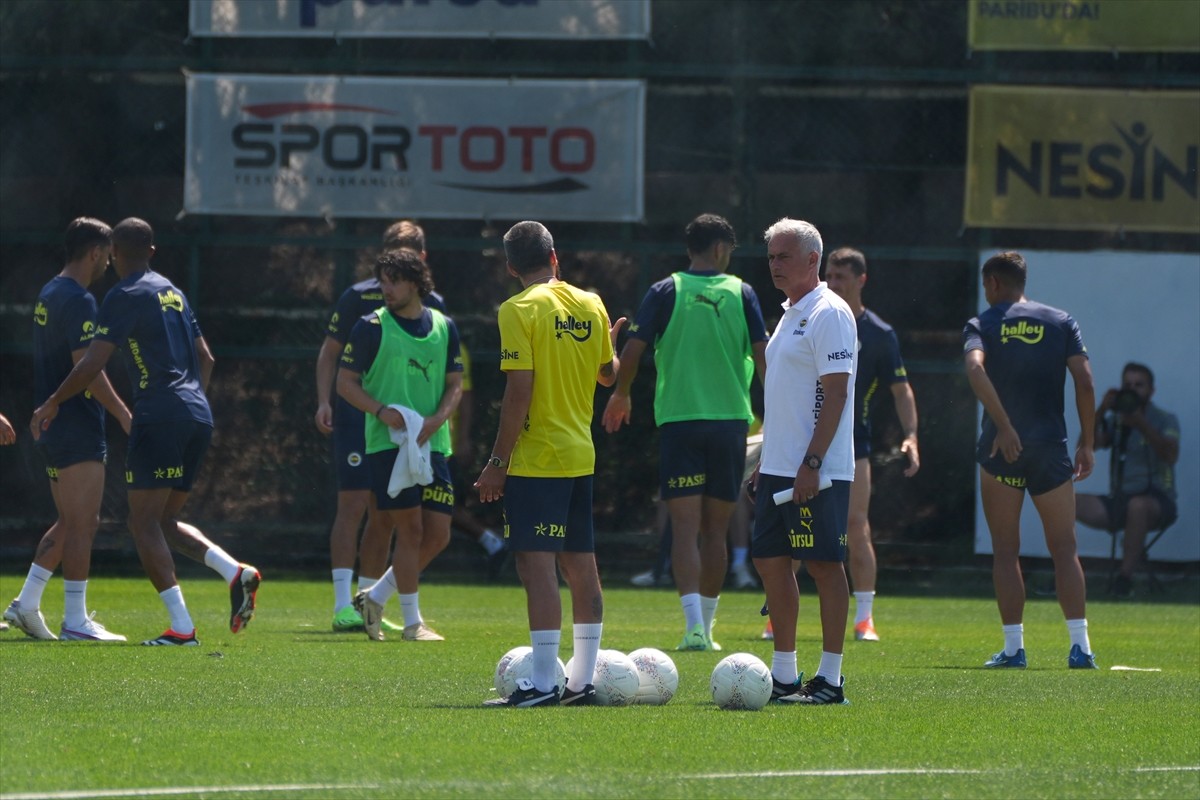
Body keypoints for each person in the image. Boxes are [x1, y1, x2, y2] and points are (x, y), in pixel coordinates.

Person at [30, 217, 261, 647]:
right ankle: (235, 571)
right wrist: (191, 403)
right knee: (164, 521)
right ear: (152, 251)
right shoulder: (173, 292)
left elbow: (91, 363)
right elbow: (206, 358)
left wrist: (53, 402)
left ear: (114, 253)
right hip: (198, 414)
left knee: (141, 524)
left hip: (160, 413)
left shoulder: (122, 294)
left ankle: (182, 629)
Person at [602, 213, 768, 652]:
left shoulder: (664, 290)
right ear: (720, 249)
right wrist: (782, 412)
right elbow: (763, 357)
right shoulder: (743, 293)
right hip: (731, 423)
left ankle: (694, 627)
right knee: (716, 531)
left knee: (684, 527)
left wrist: (622, 395)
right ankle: (706, 630)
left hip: (680, 424)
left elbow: (633, 348)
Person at [476, 220, 623, 707]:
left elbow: (520, 389)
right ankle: (581, 683)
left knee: (535, 566)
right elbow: (607, 375)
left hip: (539, 459)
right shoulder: (591, 304)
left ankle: (542, 684)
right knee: (582, 567)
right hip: (581, 454)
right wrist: (613, 349)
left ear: (511, 266)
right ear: (554, 255)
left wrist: (498, 460)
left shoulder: (517, 309)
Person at [963, 250, 1098, 670]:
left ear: (993, 284)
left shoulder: (981, 324)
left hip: (1001, 449)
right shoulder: (1060, 321)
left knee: (1006, 551)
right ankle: (1081, 647)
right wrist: (1087, 443)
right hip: (1050, 447)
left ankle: (1013, 649)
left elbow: (974, 369)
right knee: (1065, 548)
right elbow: (1085, 380)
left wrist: (1003, 425)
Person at [314, 219, 447, 632]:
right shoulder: (358, 299)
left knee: (387, 516)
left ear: (421, 263)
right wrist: (324, 401)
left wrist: (434, 420)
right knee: (353, 505)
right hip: (360, 417)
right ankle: (342, 605)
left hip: (405, 428)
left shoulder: (434, 307)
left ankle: (370, 601)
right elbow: (330, 354)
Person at [5, 218, 133, 642]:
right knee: (84, 524)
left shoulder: (49, 290)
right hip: (74, 424)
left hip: (54, 426)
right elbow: (89, 369)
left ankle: (25, 603)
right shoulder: (79, 300)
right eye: (108, 254)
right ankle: (76, 621)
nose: (110, 262)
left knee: (69, 520)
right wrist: (121, 413)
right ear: (95, 252)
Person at [750, 217, 856, 705]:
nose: (774, 264)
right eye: (771, 256)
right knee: (770, 561)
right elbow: (788, 395)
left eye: (784, 256)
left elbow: (835, 394)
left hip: (818, 468)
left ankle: (830, 680)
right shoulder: (790, 312)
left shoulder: (829, 312)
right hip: (779, 464)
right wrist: (768, 458)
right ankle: (785, 677)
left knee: (824, 565)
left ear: (814, 260)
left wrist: (812, 462)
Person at [338, 248, 463, 641]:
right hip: (389, 445)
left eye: (394, 281)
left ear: (416, 282)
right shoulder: (370, 326)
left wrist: (437, 420)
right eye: (382, 281)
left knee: (438, 534)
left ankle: (375, 596)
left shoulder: (445, 326)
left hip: (434, 442)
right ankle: (412, 624)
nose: (386, 289)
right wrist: (379, 410)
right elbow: (345, 383)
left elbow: (454, 384)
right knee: (409, 530)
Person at [823, 247, 919, 642]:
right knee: (794, 528)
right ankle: (777, 615)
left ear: (861, 281)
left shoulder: (879, 333)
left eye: (841, 277)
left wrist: (911, 435)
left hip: (853, 444)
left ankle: (864, 619)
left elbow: (901, 391)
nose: (832, 284)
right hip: (806, 438)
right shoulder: (812, 318)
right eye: (829, 275)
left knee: (855, 525)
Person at [1075, 362, 1179, 598]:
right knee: (1065, 501)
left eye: (1139, 385)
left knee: (1138, 506)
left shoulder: (1165, 419)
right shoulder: (1116, 420)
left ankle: (1124, 580)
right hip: (1119, 500)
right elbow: (1084, 447)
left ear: (1151, 391)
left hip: (1158, 501)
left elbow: (1171, 455)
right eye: (1127, 385)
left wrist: (1141, 424)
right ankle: (1066, 572)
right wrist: (1101, 409)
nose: (1132, 390)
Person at [448, 342, 509, 579]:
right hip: (412, 443)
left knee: (442, 508)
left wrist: (462, 439)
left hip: (443, 447)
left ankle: (493, 543)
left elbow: (464, 394)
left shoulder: (451, 343)